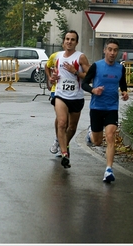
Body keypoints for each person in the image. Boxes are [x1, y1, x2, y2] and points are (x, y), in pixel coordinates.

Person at [82, 38, 129, 182]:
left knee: (110, 136)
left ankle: (109, 169)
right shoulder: (96, 66)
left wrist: (125, 92)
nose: (112, 53)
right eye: (110, 49)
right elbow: (84, 84)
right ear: (105, 50)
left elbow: (123, 84)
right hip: (96, 107)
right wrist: (93, 90)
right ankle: (91, 135)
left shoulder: (120, 68)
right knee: (97, 142)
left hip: (111, 107)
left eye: (115, 50)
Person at [52, 30, 91, 168]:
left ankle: (65, 144)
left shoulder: (80, 57)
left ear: (76, 42)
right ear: (63, 41)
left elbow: (89, 76)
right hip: (60, 95)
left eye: (72, 39)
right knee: (62, 123)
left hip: (76, 96)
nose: (69, 41)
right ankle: (64, 154)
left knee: (72, 127)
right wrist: (52, 78)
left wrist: (75, 72)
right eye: (67, 39)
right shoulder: (58, 57)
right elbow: (54, 77)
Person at [44, 49, 62, 157]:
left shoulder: (76, 58)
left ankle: (63, 143)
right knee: (60, 118)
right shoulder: (55, 56)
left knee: (68, 122)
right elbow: (47, 66)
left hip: (70, 92)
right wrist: (49, 77)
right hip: (56, 90)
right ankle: (58, 140)